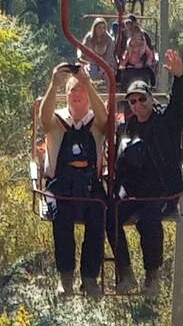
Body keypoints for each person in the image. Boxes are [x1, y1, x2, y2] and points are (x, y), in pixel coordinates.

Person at [112, 49, 183, 297]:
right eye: (132, 102)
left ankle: (151, 276)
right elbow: (120, 160)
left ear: (150, 98)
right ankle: (125, 272)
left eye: (141, 99)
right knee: (109, 215)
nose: (138, 105)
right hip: (134, 189)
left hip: (160, 189)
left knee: (148, 221)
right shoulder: (127, 128)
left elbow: (179, 105)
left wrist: (179, 77)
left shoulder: (165, 121)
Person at [37, 62, 110, 297]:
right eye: (72, 90)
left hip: (89, 185)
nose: (77, 95)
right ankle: (65, 277)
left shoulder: (95, 123)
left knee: (99, 215)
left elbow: (106, 122)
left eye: (81, 90)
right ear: (66, 96)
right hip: (61, 185)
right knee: (62, 218)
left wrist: (88, 83)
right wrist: (54, 83)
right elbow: (43, 118)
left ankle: (90, 278)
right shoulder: (58, 122)